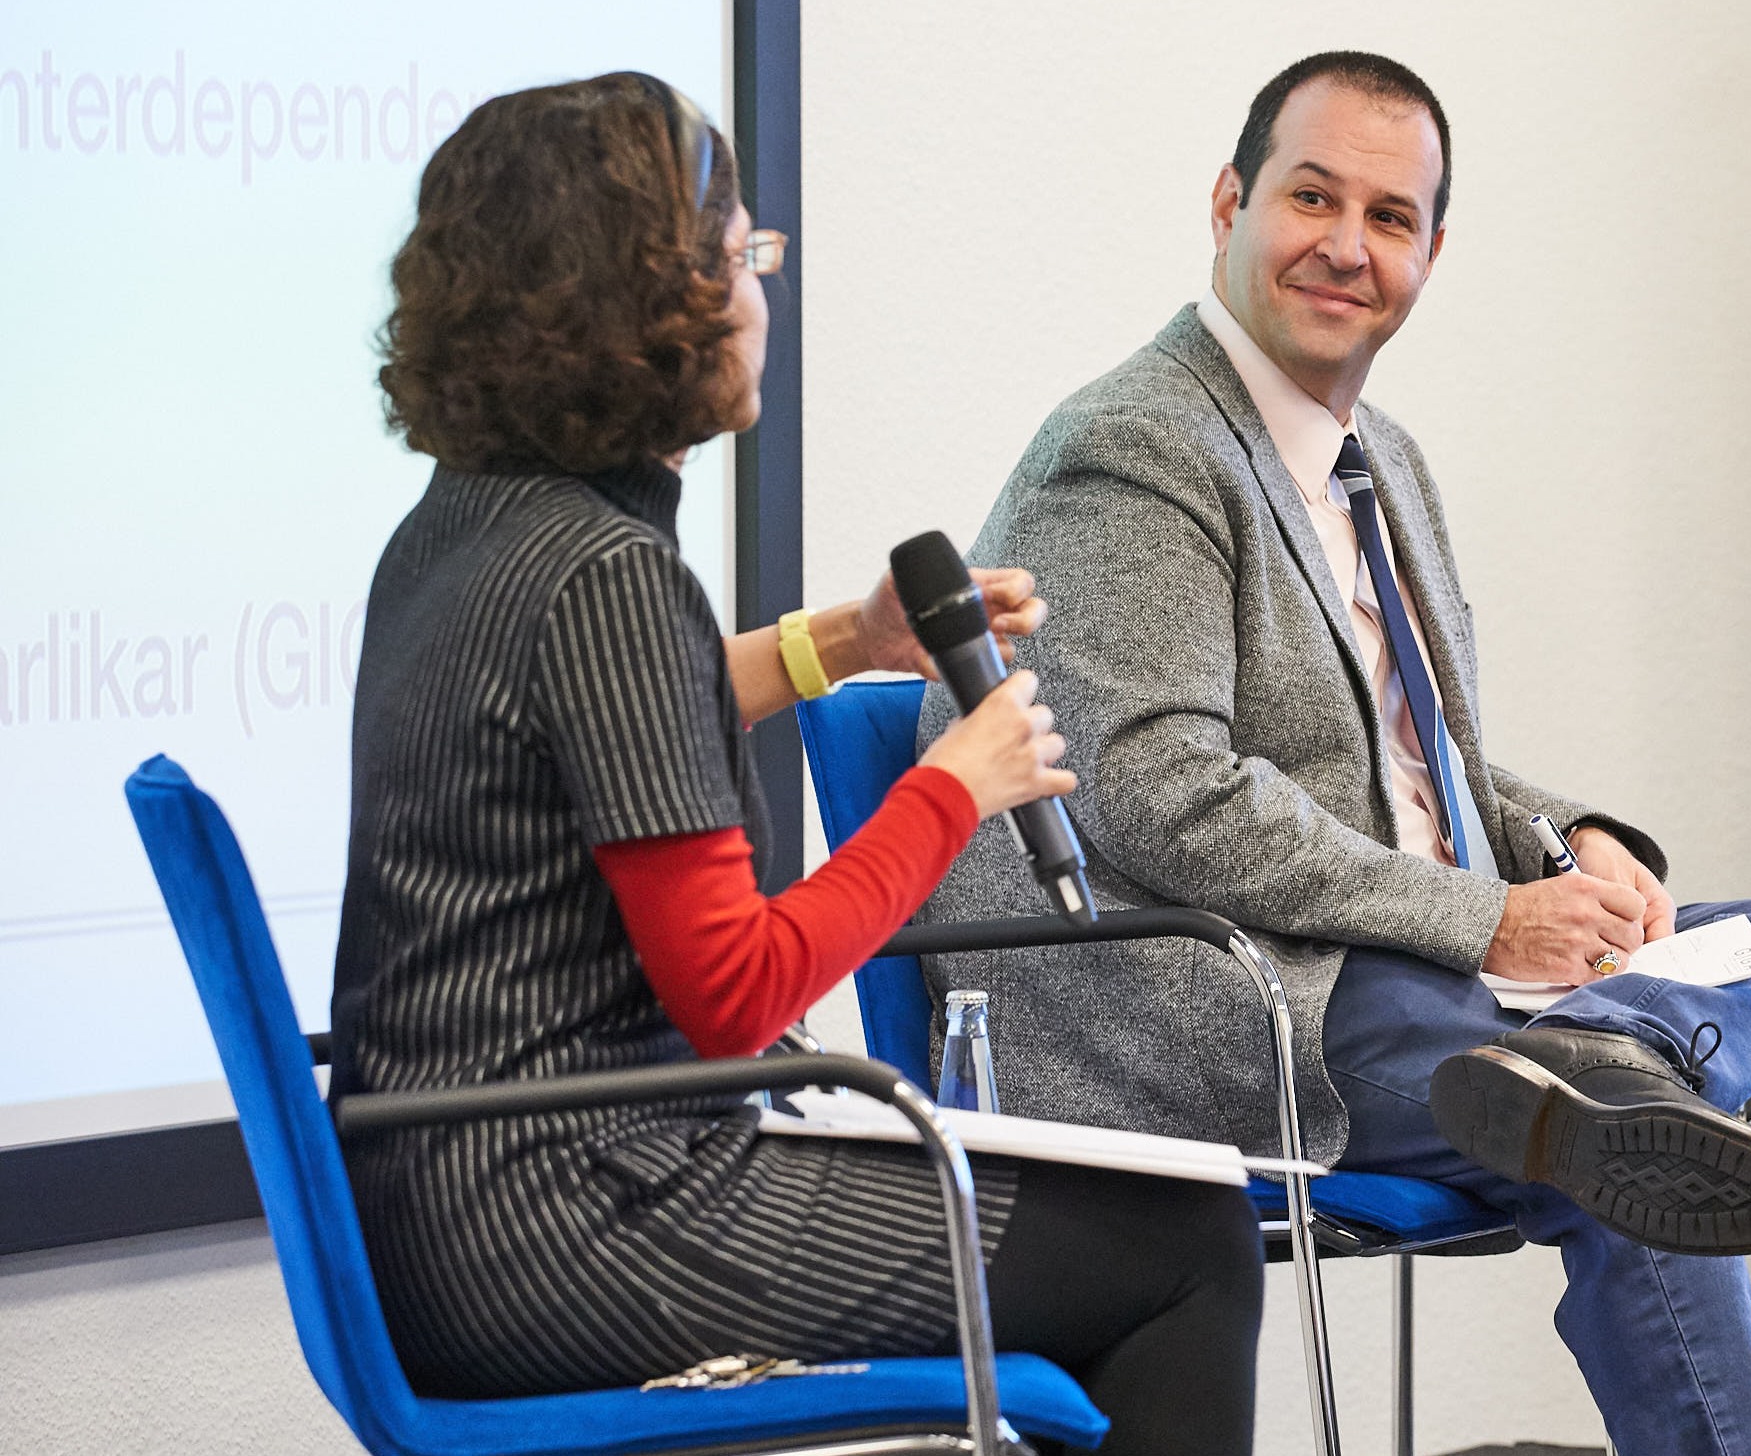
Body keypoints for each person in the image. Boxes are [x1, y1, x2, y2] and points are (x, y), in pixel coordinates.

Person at [920, 51, 1751, 1456]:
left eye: (1392, 217)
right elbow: (1167, 798)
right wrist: (1492, 920)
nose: (1347, 247)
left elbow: (1418, 770)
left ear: (1430, 251)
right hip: (1216, 990)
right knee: (1633, 1148)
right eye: (1311, 197)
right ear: (1229, 204)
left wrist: (1582, 849)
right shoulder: (1133, 447)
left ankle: (1612, 1068)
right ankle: (1623, 1086)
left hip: (1403, 969)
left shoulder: (1385, 460)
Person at [328, 73, 1260, 1454]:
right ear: (641, 302)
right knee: (1188, 1244)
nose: (763, 290)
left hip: (440, 1212)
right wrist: (956, 789)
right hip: (577, 1219)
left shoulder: (467, 528)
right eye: (738, 256)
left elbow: (610, 716)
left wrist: (847, 640)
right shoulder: (608, 574)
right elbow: (738, 989)